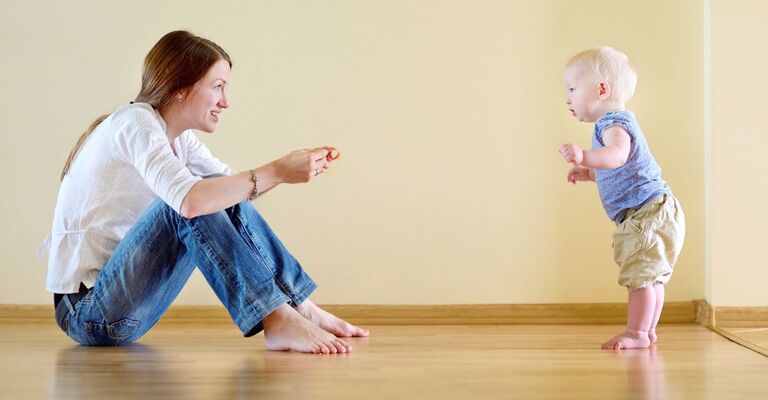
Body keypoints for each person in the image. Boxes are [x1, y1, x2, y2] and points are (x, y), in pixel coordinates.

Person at [39, 30, 368, 354]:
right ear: (181, 89)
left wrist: (289, 170)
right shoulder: (134, 121)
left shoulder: (178, 138)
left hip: (123, 308)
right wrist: (277, 170)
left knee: (219, 192)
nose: (225, 101)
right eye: (218, 87)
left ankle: (298, 306)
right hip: (89, 313)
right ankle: (277, 318)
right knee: (186, 203)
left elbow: (236, 189)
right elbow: (191, 201)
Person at [558, 47, 685, 350]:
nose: (568, 97)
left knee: (640, 276)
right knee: (651, 277)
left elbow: (617, 155)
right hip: (656, 209)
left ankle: (638, 333)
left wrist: (585, 156)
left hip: (645, 212)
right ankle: (647, 330)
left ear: (602, 89)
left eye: (573, 89)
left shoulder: (612, 124)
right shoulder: (618, 122)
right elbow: (619, 167)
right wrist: (590, 173)